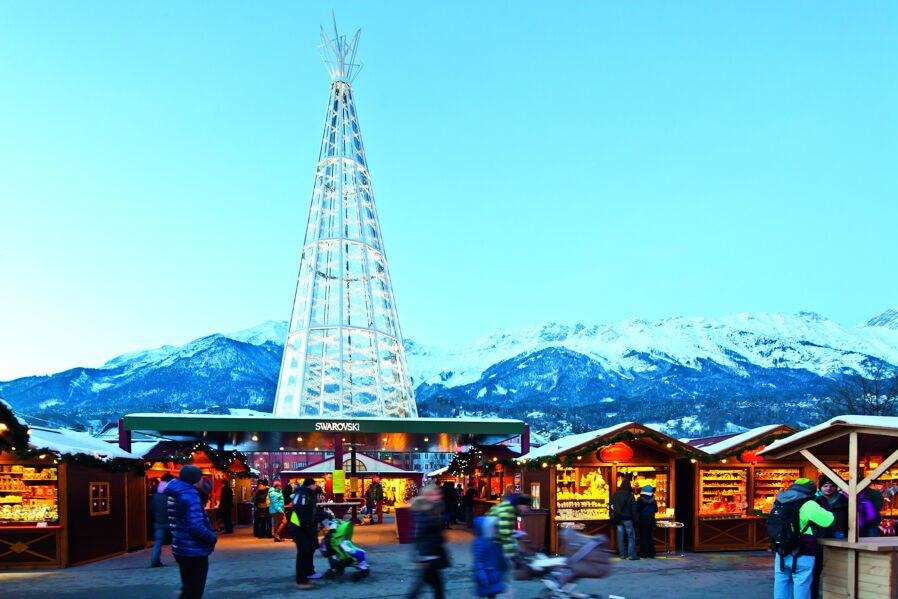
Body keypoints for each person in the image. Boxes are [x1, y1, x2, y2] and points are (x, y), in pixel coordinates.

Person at [772, 478, 834, 599]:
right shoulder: (809, 504)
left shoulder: (779, 501)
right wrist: (823, 503)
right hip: (804, 550)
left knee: (781, 583)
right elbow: (828, 520)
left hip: (781, 550)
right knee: (802, 584)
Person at [166, 466, 217, 599]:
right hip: (193, 550)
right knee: (194, 590)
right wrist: (212, 538)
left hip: (181, 547)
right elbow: (196, 526)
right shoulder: (190, 497)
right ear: (195, 479)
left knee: (188, 588)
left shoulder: (176, 493)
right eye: (200, 477)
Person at [406, 484, 449, 599]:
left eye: (438, 494)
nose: (437, 497)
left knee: (429, 586)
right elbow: (419, 534)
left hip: (431, 555)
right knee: (435, 587)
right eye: (433, 494)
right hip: (428, 556)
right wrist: (420, 557)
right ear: (427, 496)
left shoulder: (432, 509)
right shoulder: (424, 512)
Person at [810, 476, 848, 599]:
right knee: (815, 571)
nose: (828, 488)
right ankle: (813, 596)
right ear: (820, 488)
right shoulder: (815, 501)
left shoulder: (844, 501)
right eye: (825, 486)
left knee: (840, 571)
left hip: (840, 538)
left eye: (831, 486)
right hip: (818, 540)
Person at [292, 478, 321, 590]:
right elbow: (301, 511)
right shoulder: (303, 495)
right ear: (310, 485)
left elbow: (310, 511)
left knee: (308, 551)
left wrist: (319, 516)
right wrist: (308, 525)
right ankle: (301, 581)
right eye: (314, 485)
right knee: (303, 553)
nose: (316, 486)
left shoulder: (308, 494)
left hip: (306, 528)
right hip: (301, 528)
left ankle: (308, 574)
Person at [487, 493, 531, 562]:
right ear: (520, 505)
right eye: (526, 507)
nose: (527, 510)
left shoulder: (509, 508)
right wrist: (513, 557)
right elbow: (505, 536)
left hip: (492, 539)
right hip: (490, 542)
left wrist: (514, 533)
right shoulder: (507, 511)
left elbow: (505, 531)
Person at [472, 515, 507, 599]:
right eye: (494, 527)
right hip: (485, 577)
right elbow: (478, 561)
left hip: (492, 576)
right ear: (486, 528)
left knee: (492, 595)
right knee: (487, 594)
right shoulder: (480, 543)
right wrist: (482, 576)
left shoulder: (491, 541)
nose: (496, 530)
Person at [150, 473, 174, 567]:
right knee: (177, 540)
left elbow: (152, 507)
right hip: (171, 521)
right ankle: (182, 558)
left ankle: (155, 560)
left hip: (159, 521)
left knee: (158, 542)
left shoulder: (157, 493)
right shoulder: (172, 492)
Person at [611, 478, 638, 560]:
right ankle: (631, 555)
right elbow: (634, 509)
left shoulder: (615, 494)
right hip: (628, 519)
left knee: (620, 537)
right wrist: (636, 519)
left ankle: (622, 555)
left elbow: (612, 506)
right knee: (631, 537)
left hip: (619, 519)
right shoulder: (630, 496)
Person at [635, 485, 657, 558]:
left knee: (643, 536)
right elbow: (656, 509)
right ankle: (651, 553)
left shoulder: (640, 499)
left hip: (643, 520)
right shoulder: (654, 500)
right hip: (651, 520)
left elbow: (637, 509)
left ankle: (644, 553)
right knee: (650, 536)